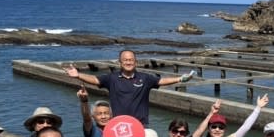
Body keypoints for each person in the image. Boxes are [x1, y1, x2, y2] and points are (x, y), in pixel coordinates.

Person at [66, 50, 194, 125]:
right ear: (120, 63)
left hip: (141, 125)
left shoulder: (145, 78)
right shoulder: (112, 78)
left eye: (131, 60)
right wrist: (78, 75)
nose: (128, 62)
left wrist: (180, 78)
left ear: (135, 62)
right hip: (118, 125)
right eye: (125, 60)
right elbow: (95, 79)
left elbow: (161, 80)